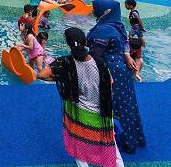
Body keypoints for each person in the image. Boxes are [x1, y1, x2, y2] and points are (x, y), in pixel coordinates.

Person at [38, 27, 124, 167]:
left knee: (78, 147)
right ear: (85, 41)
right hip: (100, 113)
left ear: (68, 44)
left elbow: (41, 74)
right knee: (109, 146)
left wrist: (66, 79)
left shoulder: (65, 63)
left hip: (78, 113)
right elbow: (111, 83)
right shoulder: (100, 62)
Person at [87, 0, 146, 153]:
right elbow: (125, 41)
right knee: (126, 104)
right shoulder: (116, 24)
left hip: (109, 71)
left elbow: (94, 55)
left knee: (107, 103)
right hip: (122, 70)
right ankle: (131, 139)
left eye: (95, 8)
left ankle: (106, 139)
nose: (92, 10)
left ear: (105, 11)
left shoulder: (103, 30)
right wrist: (126, 55)